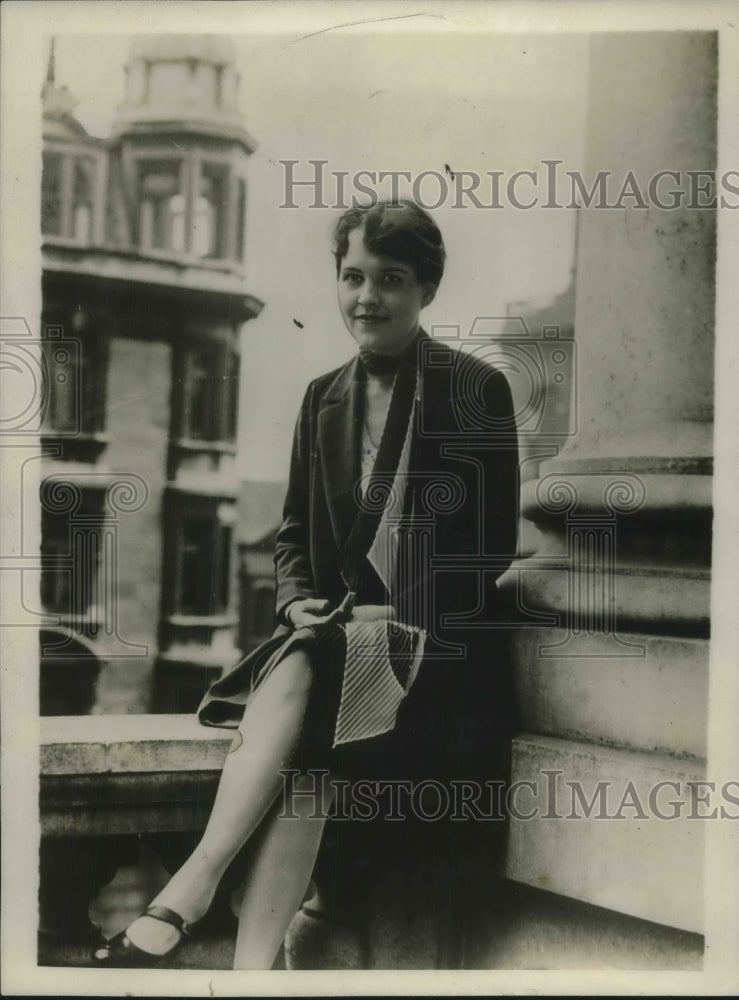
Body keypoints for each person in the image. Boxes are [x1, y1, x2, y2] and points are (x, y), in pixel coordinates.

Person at [92, 199, 519, 970]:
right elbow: (292, 533)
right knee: (312, 710)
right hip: (338, 648)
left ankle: (190, 893)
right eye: (352, 277)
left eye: (390, 279)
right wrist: (294, 601)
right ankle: (247, 963)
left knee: (313, 674)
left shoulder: (474, 389)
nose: (366, 297)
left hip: (440, 656)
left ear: (426, 288)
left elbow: (486, 551)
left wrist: (394, 616)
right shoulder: (322, 395)